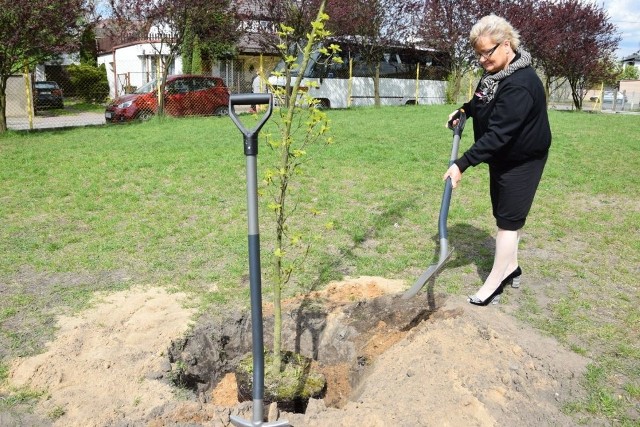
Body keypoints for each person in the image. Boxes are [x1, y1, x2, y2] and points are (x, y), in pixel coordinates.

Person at [443, 15, 551, 306]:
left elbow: (499, 134)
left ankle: (495, 280)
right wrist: (464, 110)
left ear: (506, 45)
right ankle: (512, 267)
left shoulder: (520, 84)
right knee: (504, 215)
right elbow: (480, 102)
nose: (481, 60)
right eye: (477, 53)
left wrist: (461, 163)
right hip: (502, 155)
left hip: (524, 158)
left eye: (486, 53)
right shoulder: (494, 75)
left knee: (508, 222)